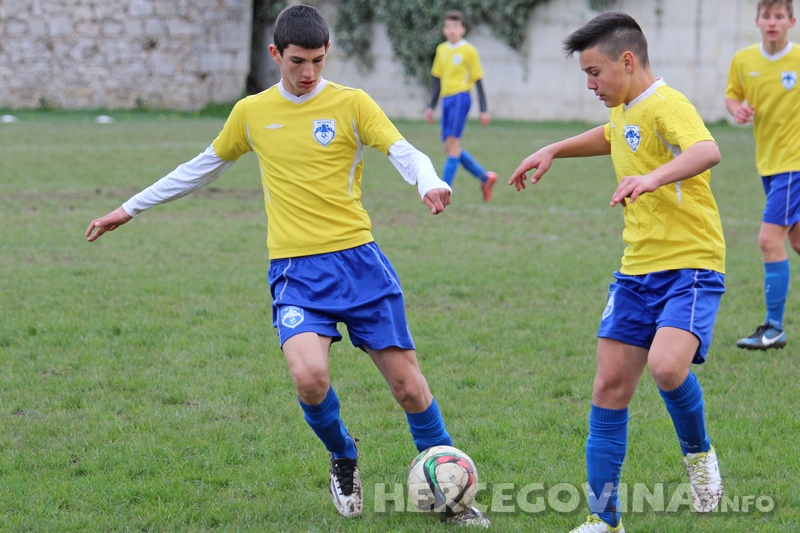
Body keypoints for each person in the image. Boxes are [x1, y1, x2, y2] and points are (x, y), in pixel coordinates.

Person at [85, 5, 489, 528]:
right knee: (309, 377)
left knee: (409, 388)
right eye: (298, 61)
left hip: (360, 263)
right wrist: (129, 208)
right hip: (297, 272)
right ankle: (344, 456)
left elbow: (403, 150)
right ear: (276, 54)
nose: (309, 73)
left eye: (319, 61)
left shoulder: (351, 103)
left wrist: (429, 181)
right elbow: (199, 168)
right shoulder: (252, 113)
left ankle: (452, 497)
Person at [509, 12, 725, 533]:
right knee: (608, 387)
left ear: (627, 61)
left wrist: (652, 178)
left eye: (595, 72)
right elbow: (613, 136)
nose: (590, 85)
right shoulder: (628, 107)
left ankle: (700, 459)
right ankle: (604, 520)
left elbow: (707, 149)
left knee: (668, 368)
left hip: (689, 265)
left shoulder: (668, 104)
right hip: (635, 271)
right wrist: (555, 148)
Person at [726, 0, 799, 351]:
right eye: (767, 16)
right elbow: (732, 95)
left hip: (793, 165)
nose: (772, 22)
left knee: (769, 242)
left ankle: (774, 328)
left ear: (791, 21)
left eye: (779, 16)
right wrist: (737, 109)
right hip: (767, 165)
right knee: (796, 242)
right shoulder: (744, 60)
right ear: (757, 20)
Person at [425, 9, 498, 202]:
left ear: (463, 29)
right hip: (446, 100)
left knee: (453, 145)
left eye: (456, 26)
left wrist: (484, 110)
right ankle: (485, 177)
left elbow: (478, 81)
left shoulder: (469, 51)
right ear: (444, 29)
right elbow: (436, 79)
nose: (452, 30)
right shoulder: (441, 50)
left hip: (461, 98)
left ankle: (442, 190)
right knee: (450, 148)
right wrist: (431, 106)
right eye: (448, 26)